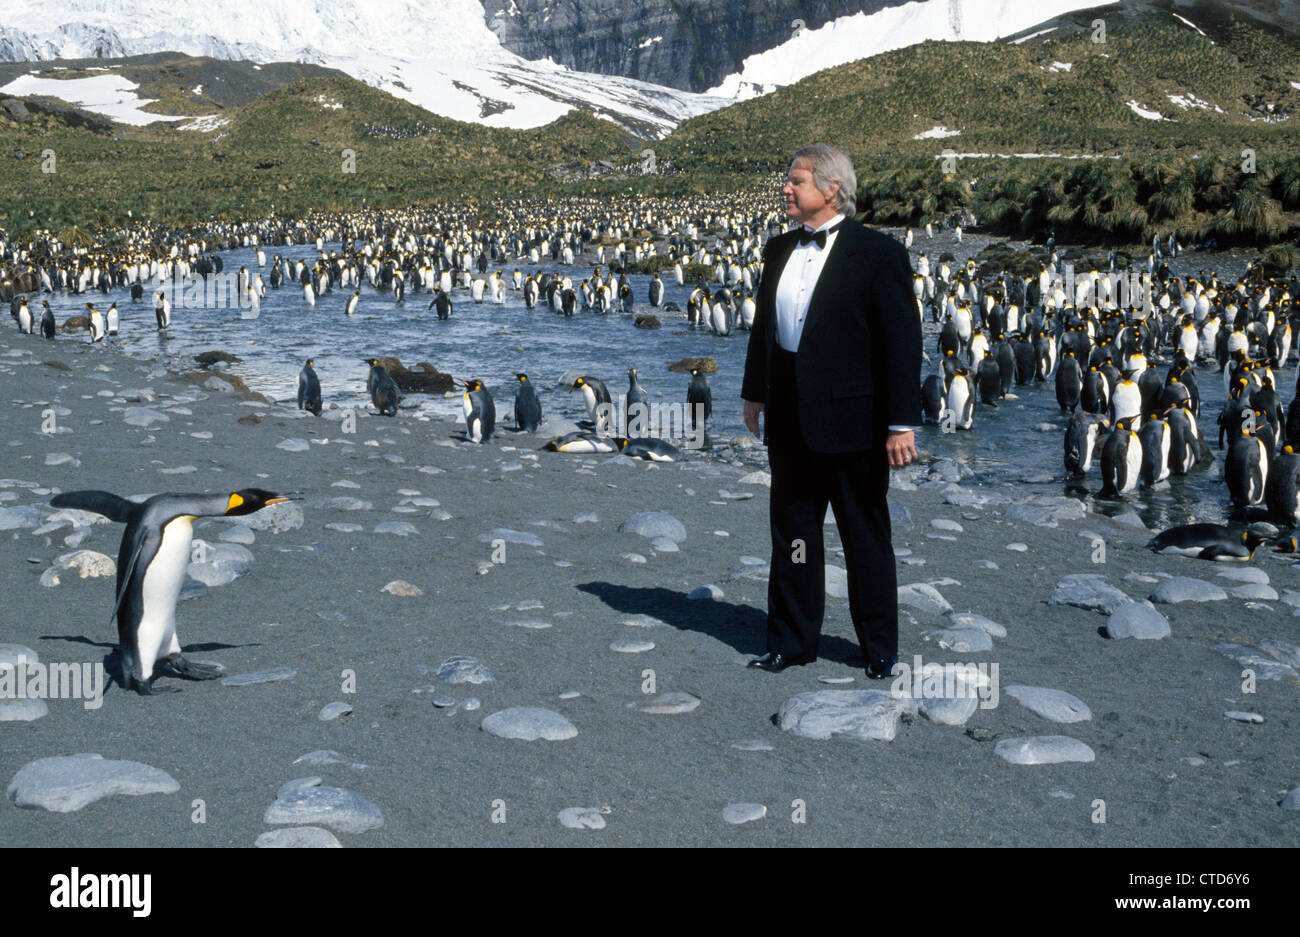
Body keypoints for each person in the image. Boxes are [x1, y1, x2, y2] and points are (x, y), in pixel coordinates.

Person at [741, 144, 922, 678]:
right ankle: (792, 640)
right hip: (791, 417)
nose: (786, 189)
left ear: (831, 188)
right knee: (794, 534)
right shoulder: (777, 250)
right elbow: (763, 331)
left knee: (864, 535)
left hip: (855, 423)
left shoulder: (878, 253)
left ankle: (880, 649)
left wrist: (901, 422)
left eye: (796, 180)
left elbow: (900, 343)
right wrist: (755, 393)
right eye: (787, 180)